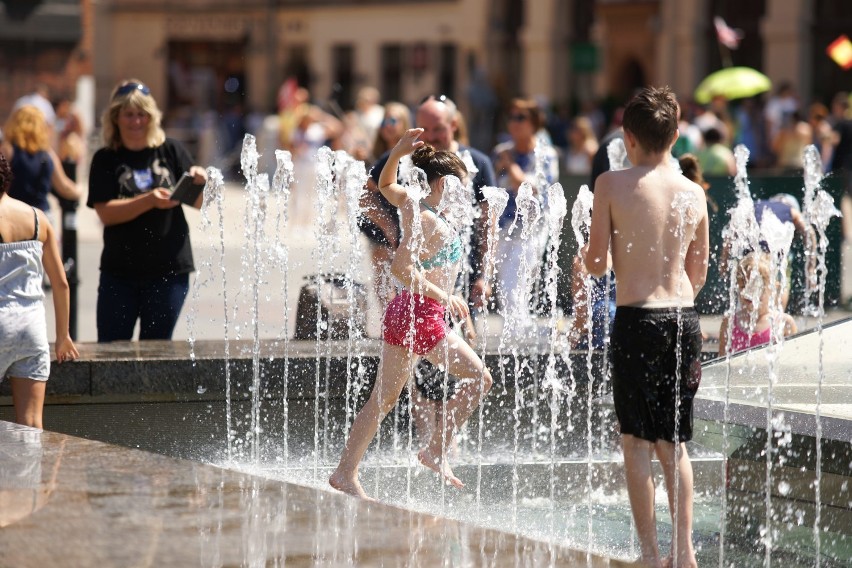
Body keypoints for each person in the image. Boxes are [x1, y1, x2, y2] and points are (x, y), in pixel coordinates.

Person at [329, 128, 493, 499]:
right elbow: (402, 269)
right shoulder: (430, 220)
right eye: (458, 186)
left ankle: (346, 471)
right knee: (480, 379)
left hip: (412, 313)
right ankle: (434, 451)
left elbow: (384, 183)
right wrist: (444, 296)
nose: (463, 194)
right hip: (419, 314)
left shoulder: (413, 203)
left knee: (383, 399)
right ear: (440, 185)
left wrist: (399, 151)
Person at [584, 86, 708, 568]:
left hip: (636, 320)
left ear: (627, 137)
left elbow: (597, 264)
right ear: (676, 136)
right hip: (683, 319)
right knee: (673, 442)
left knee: (636, 441)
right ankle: (686, 551)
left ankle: (652, 555)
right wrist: (678, 303)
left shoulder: (611, 185)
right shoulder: (694, 192)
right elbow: (697, 271)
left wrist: (585, 259)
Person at [87, 79, 208, 342]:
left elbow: (199, 204)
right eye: (128, 114)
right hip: (119, 273)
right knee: (112, 352)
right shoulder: (106, 158)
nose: (136, 121)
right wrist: (149, 200)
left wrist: (199, 182)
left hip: (168, 272)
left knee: (156, 353)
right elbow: (105, 213)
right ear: (115, 118)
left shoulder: (170, 150)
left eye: (142, 114)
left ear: (152, 117)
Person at [0, 153, 78, 429]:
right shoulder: (37, 218)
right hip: (30, 329)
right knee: (31, 424)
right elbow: (61, 283)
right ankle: (33, 475)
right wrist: (63, 336)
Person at [492, 97, 560, 334]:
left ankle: (518, 336)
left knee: (515, 283)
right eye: (511, 117)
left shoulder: (545, 154)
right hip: (504, 226)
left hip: (531, 229)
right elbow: (497, 189)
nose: (514, 122)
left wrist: (511, 167)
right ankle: (518, 333)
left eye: (520, 117)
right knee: (504, 288)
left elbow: (531, 188)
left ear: (534, 122)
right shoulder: (500, 151)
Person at [358, 102, 412, 308]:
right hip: (385, 226)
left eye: (392, 120)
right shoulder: (383, 156)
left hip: (403, 226)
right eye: (384, 121)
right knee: (384, 280)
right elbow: (366, 191)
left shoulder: (408, 155)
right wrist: (387, 226)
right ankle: (389, 324)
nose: (387, 126)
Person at [1, 105, 81, 217]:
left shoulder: (8, 150)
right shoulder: (47, 154)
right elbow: (64, 187)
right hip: (42, 216)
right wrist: (79, 191)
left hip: (14, 215)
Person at [718, 251, 797, 356]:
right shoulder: (729, 322)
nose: (748, 293)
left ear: (772, 288)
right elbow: (721, 364)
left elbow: (793, 363)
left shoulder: (783, 323)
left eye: (756, 287)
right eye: (743, 287)